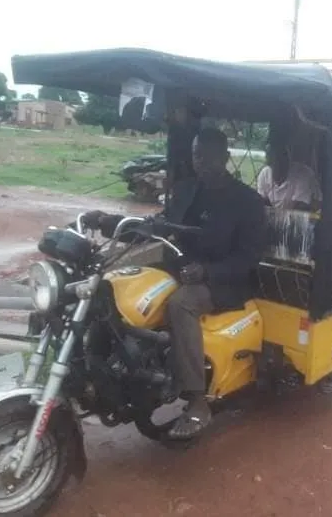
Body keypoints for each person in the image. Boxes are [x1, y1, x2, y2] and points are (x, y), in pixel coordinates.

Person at [86, 127, 267, 439]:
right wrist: (108, 222)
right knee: (116, 288)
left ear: (225, 157)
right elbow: (158, 225)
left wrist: (206, 272)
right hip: (180, 268)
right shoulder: (187, 190)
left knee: (181, 304)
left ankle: (197, 401)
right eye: (197, 155)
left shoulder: (247, 201)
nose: (201, 162)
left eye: (208, 156)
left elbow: (248, 258)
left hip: (225, 279)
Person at [256, 135, 320, 211]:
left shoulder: (303, 174)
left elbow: (300, 208)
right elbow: (262, 202)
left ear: (288, 158)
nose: (278, 160)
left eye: (282, 155)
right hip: (281, 214)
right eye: (272, 157)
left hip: (308, 214)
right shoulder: (264, 174)